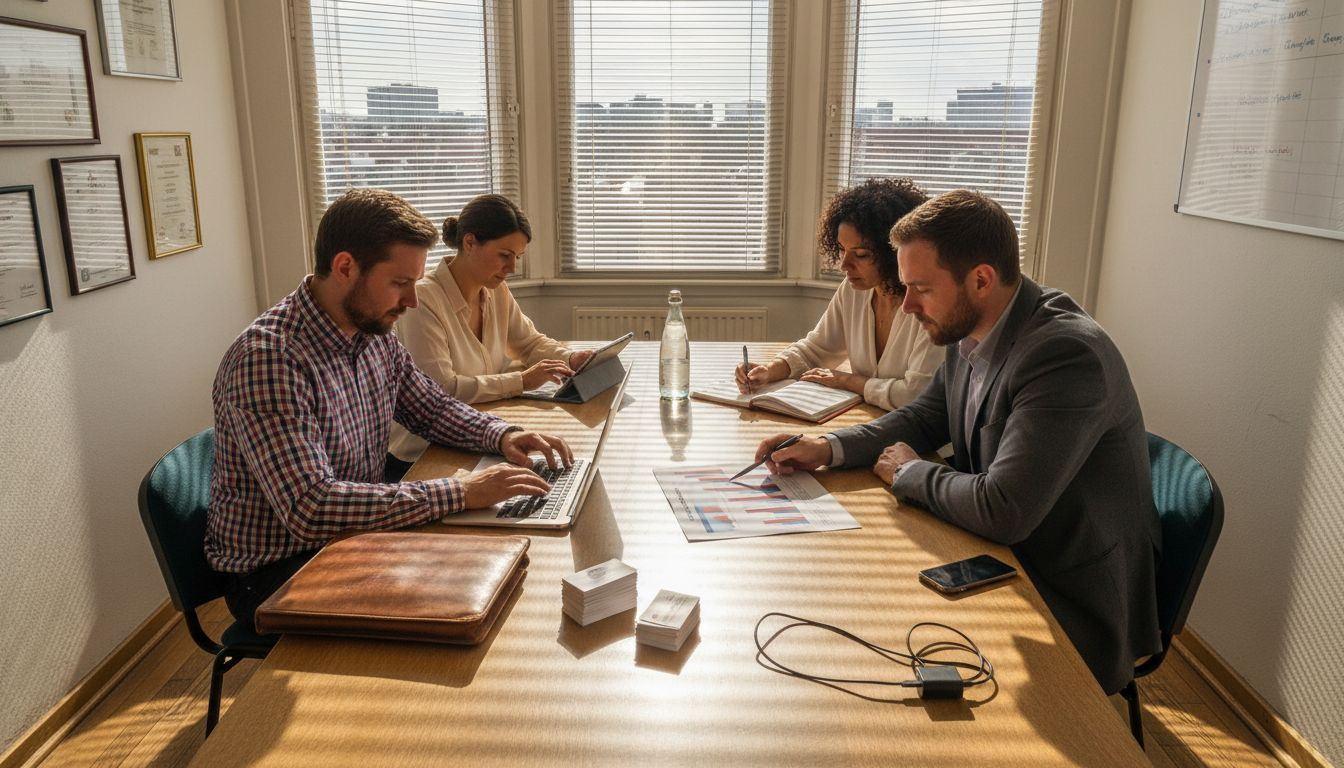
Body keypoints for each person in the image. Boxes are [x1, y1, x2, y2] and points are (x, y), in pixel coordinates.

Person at [755, 190, 1162, 695]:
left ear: (981, 279)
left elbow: (1004, 508)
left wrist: (908, 472)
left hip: (1064, 589)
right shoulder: (971, 324)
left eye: (920, 288)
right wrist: (829, 448)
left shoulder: (1064, 356)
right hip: (998, 552)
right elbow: (927, 417)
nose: (906, 305)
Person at [205, 188, 572, 632]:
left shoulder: (371, 330)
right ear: (345, 268)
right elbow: (312, 508)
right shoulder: (270, 359)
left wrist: (502, 435)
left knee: (502, 576)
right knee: (468, 603)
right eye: (401, 283)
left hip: (354, 539)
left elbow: (430, 407)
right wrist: (462, 493)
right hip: (280, 569)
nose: (412, 300)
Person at [388, 194, 594, 469]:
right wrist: (519, 381)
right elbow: (441, 391)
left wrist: (570, 359)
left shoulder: (495, 291)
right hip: (424, 455)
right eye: (504, 256)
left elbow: (529, 343)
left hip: (480, 436)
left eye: (518, 257)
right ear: (469, 243)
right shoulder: (422, 299)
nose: (512, 268)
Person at [736, 178, 941, 410]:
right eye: (842, 250)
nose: (844, 265)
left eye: (861, 254)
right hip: (869, 420)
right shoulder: (855, 290)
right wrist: (770, 370)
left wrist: (847, 381)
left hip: (915, 438)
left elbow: (914, 395)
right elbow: (818, 348)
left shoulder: (929, 306)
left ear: (894, 254)